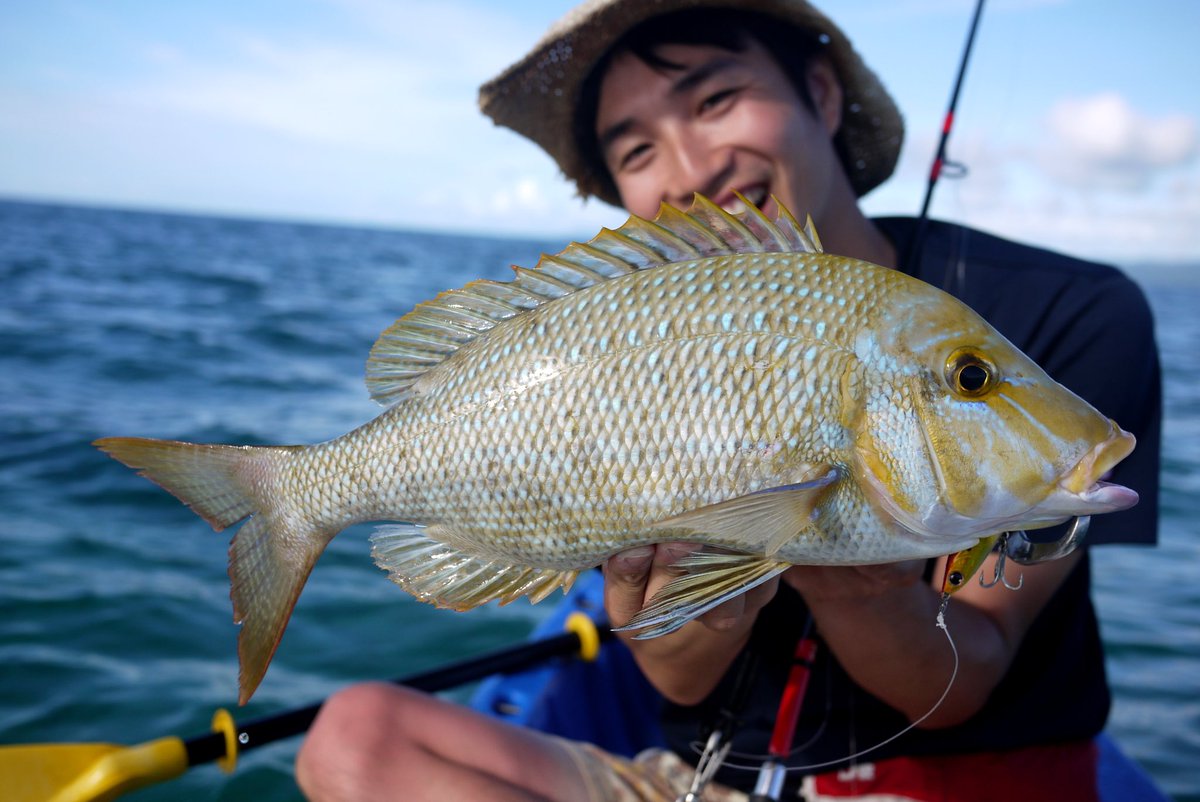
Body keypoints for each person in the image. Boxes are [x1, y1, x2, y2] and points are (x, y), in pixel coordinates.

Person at [294, 1, 1161, 800]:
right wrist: (690, 598)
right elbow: (676, 679)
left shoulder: (1074, 313)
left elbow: (960, 684)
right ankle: (289, 502)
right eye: (636, 150)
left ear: (819, 94)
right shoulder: (630, 346)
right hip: (704, 778)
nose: (692, 168)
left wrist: (841, 561)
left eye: (715, 99)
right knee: (353, 739)